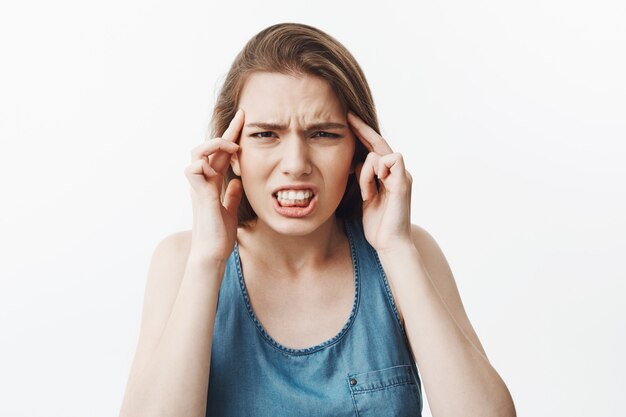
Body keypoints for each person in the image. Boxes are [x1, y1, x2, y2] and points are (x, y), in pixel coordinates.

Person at [119, 23, 516, 417]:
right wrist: (208, 259)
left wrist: (396, 249)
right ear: (232, 152)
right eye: (265, 135)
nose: (295, 164)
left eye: (323, 134)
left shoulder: (408, 252)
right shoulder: (181, 261)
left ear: (358, 151)